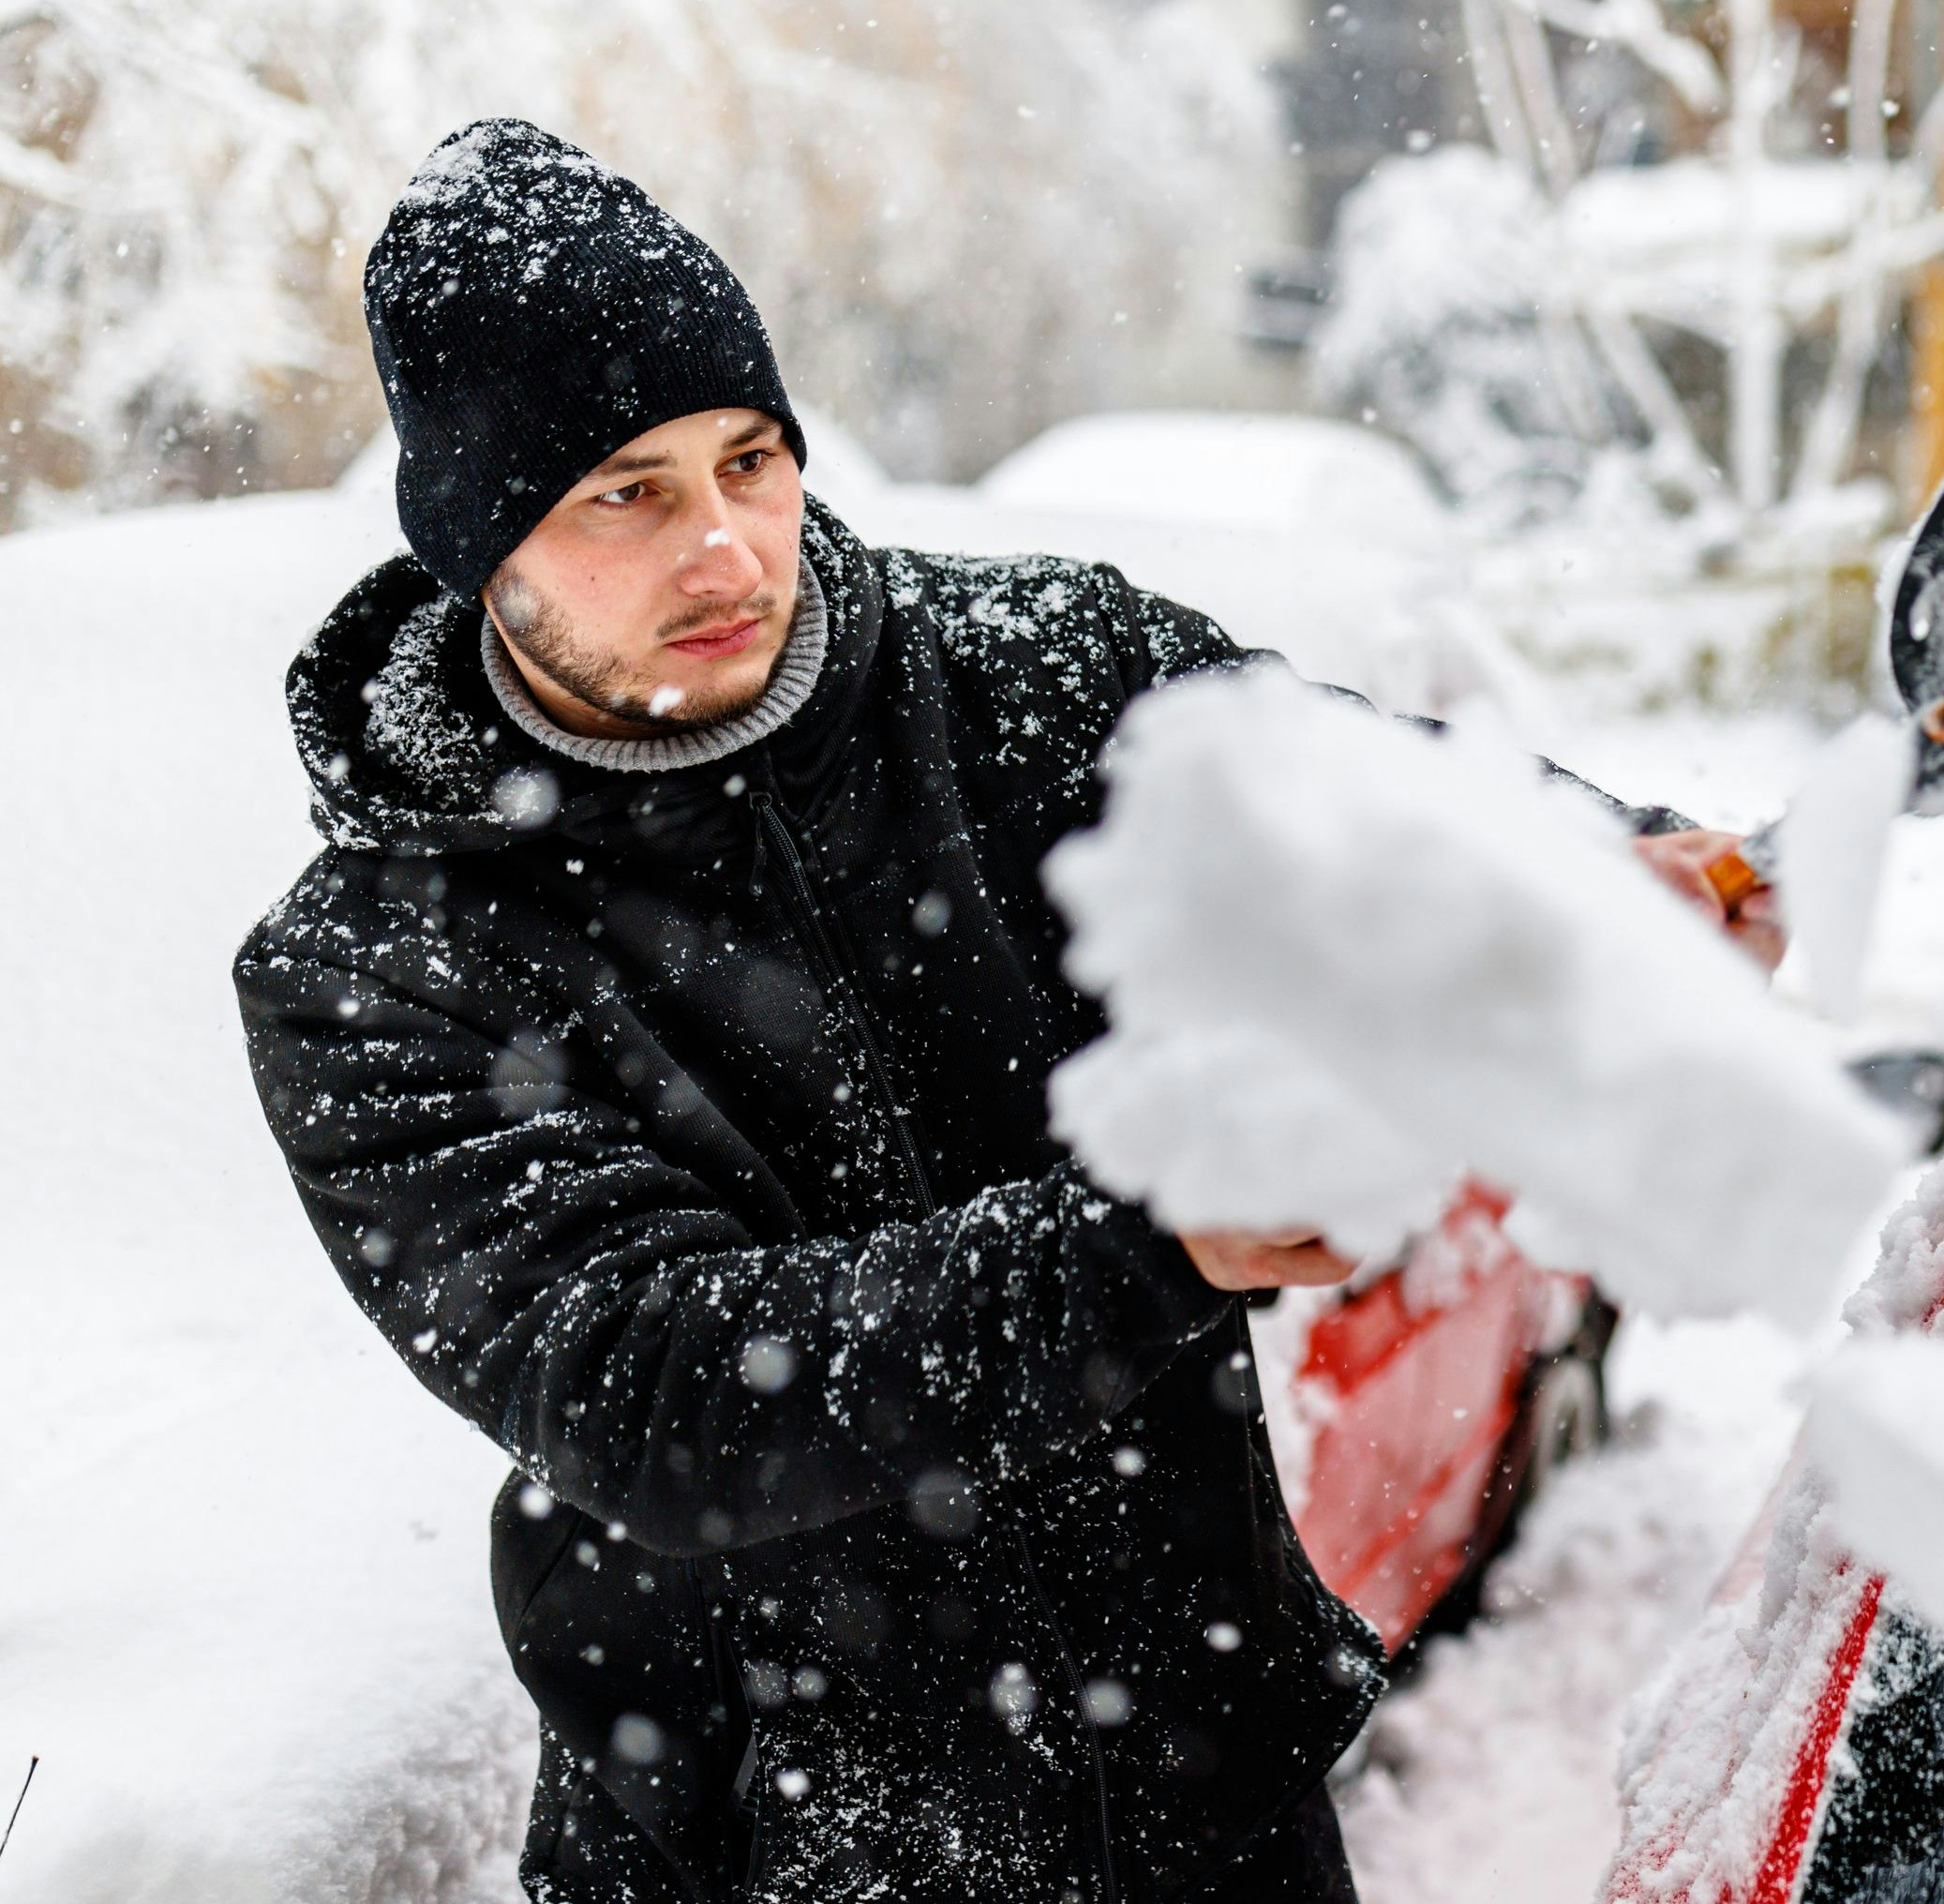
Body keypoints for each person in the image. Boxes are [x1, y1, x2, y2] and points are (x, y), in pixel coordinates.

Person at [232, 119, 1774, 1903]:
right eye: (626, 495)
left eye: (751, 459)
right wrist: (1151, 1242)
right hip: (782, 1857)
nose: (730, 546)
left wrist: (1604, 869)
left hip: (1204, 1798)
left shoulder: (1026, 679)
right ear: (480, 547)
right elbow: (665, 1392)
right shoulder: (380, 967)